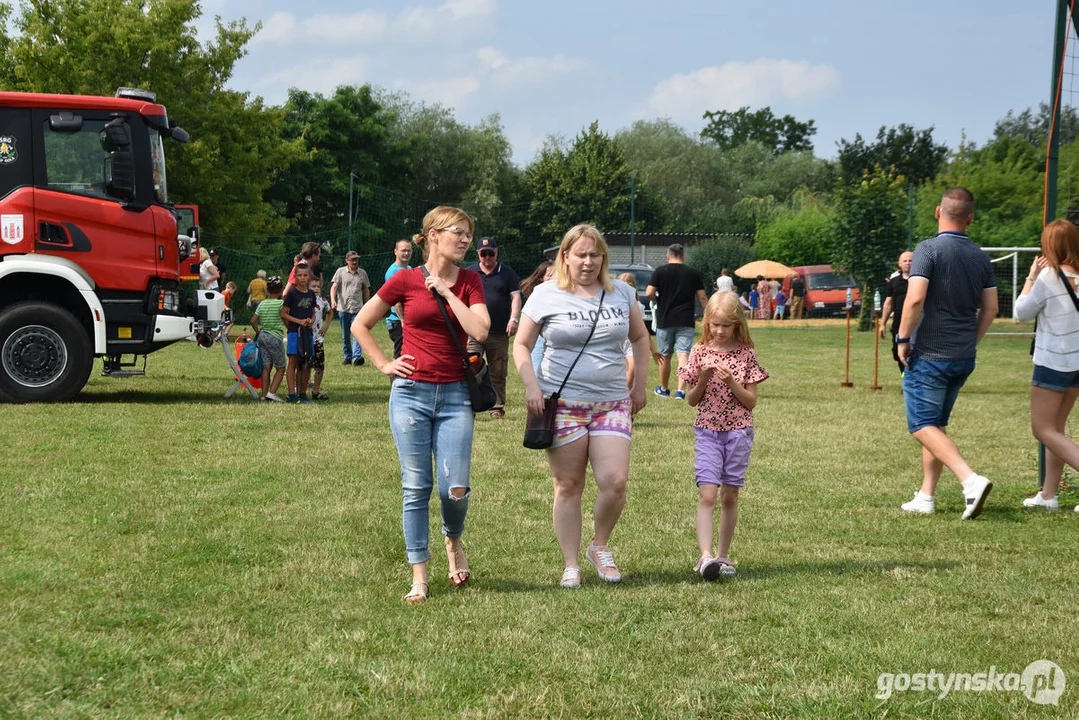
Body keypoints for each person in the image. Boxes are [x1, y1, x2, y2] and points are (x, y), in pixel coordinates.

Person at [351, 206, 490, 603]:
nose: (465, 239)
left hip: (456, 397)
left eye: (468, 234)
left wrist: (446, 291)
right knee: (416, 487)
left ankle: (453, 540)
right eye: (457, 232)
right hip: (410, 393)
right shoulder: (405, 281)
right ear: (432, 236)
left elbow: (480, 329)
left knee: (456, 489)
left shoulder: (468, 282)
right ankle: (420, 576)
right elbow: (361, 323)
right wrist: (383, 363)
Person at [514, 224, 650, 589]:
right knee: (568, 485)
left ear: (604, 257)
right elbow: (521, 345)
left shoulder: (622, 293)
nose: (588, 262)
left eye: (595, 255)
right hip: (563, 404)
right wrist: (531, 385)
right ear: (565, 257)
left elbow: (640, 337)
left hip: (612, 404)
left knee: (615, 482)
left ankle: (599, 546)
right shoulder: (545, 295)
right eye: (581, 255)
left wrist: (639, 386)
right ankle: (571, 563)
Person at [896, 187, 997, 519]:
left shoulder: (928, 250)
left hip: (930, 354)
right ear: (970, 218)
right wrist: (972, 340)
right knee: (936, 425)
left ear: (938, 213)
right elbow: (991, 309)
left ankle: (970, 481)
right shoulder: (981, 256)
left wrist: (902, 338)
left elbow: (914, 299)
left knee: (922, 424)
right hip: (963, 356)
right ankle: (926, 496)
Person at [679, 291, 768, 580]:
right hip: (707, 431)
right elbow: (691, 400)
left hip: (739, 433)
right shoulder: (699, 352)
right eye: (714, 325)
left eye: (725, 326)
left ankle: (723, 555)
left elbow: (751, 402)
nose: (719, 331)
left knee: (730, 495)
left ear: (737, 326)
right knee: (707, 494)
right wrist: (703, 377)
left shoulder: (746, 355)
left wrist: (731, 381)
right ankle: (706, 557)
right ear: (707, 324)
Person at [1014, 219, 1079, 513]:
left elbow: (1021, 314)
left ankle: (1049, 494)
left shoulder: (1049, 277)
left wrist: (1031, 277)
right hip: (1077, 364)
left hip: (1053, 362)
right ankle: (1049, 494)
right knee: (1057, 429)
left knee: (1042, 429)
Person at [465, 237, 520, 419]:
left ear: (496, 253)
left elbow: (516, 298)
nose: (487, 257)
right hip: (474, 331)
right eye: (483, 253)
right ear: (478, 254)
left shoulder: (507, 273)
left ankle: (497, 407)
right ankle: (468, 403)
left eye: (491, 253)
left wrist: (513, 319)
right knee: (471, 365)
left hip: (499, 332)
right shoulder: (469, 272)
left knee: (497, 370)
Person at [646, 243, 707, 400]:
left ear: (668, 256)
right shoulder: (693, 273)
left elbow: (649, 292)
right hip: (686, 319)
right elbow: (702, 297)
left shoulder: (660, 271)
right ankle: (680, 391)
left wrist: (657, 301)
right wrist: (708, 314)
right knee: (683, 355)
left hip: (665, 319)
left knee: (665, 355)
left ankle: (664, 389)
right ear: (683, 256)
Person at [617, 272, 663, 388]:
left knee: (629, 377)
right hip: (617, 344)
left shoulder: (638, 306)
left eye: (630, 286)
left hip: (631, 346)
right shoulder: (612, 306)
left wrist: (653, 350)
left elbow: (643, 331)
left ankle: (625, 402)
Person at [282, 262, 317, 404]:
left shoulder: (310, 294)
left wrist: (311, 320)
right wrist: (298, 321)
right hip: (294, 332)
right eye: (300, 275)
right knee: (294, 361)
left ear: (309, 276)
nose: (303, 278)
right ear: (295, 277)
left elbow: (313, 312)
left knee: (306, 363)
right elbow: (284, 314)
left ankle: (302, 392)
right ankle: (291, 393)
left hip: (307, 332)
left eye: (305, 275)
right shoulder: (292, 294)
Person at [330, 250, 371, 366]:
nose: (355, 262)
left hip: (358, 308)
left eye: (356, 259)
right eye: (352, 259)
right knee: (345, 335)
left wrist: (367, 305)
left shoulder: (362, 273)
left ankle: (357, 357)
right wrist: (333, 300)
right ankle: (347, 357)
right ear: (347, 260)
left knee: (358, 332)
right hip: (344, 308)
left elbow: (366, 289)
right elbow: (334, 287)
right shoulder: (340, 272)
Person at [250, 276, 287, 402]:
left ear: (267, 290)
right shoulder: (281, 304)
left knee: (267, 366)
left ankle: (264, 394)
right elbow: (285, 319)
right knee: (281, 367)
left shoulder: (263, 303)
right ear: (282, 289)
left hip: (263, 336)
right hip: (275, 337)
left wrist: (258, 332)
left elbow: (253, 321)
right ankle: (272, 393)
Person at [880, 251, 914, 373]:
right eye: (905, 261)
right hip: (898, 322)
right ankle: (905, 376)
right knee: (897, 351)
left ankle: (913, 380)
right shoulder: (894, 282)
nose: (908, 263)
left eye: (910, 260)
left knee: (914, 350)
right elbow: (888, 303)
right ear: (900, 263)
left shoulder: (921, 281)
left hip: (917, 321)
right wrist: (882, 324)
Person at [520, 260, 555, 371]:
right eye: (549, 275)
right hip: (539, 337)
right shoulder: (537, 296)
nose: (554, 278)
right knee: (536, 368)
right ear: (541, 278)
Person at [384, 238, 412, 360]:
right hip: (398, 320)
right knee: (400, 355)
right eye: (403, 250)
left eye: (409, 250)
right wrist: (402, 320)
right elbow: (395, 299)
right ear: (395, 251)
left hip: (409, 317)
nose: (406, 253)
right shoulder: (393, 272)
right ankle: (395, 378)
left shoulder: (410, 269)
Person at [309, 277, 332, 401]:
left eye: (318, 286)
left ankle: (316, 391)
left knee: (320, 366)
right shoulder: (305, 301)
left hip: (318, 339)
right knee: (304, 365)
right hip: (306, 339)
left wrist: (326, 326)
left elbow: (330, 312)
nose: (316, 288)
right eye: (313, 286)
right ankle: (300, 388)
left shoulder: (322, 301)